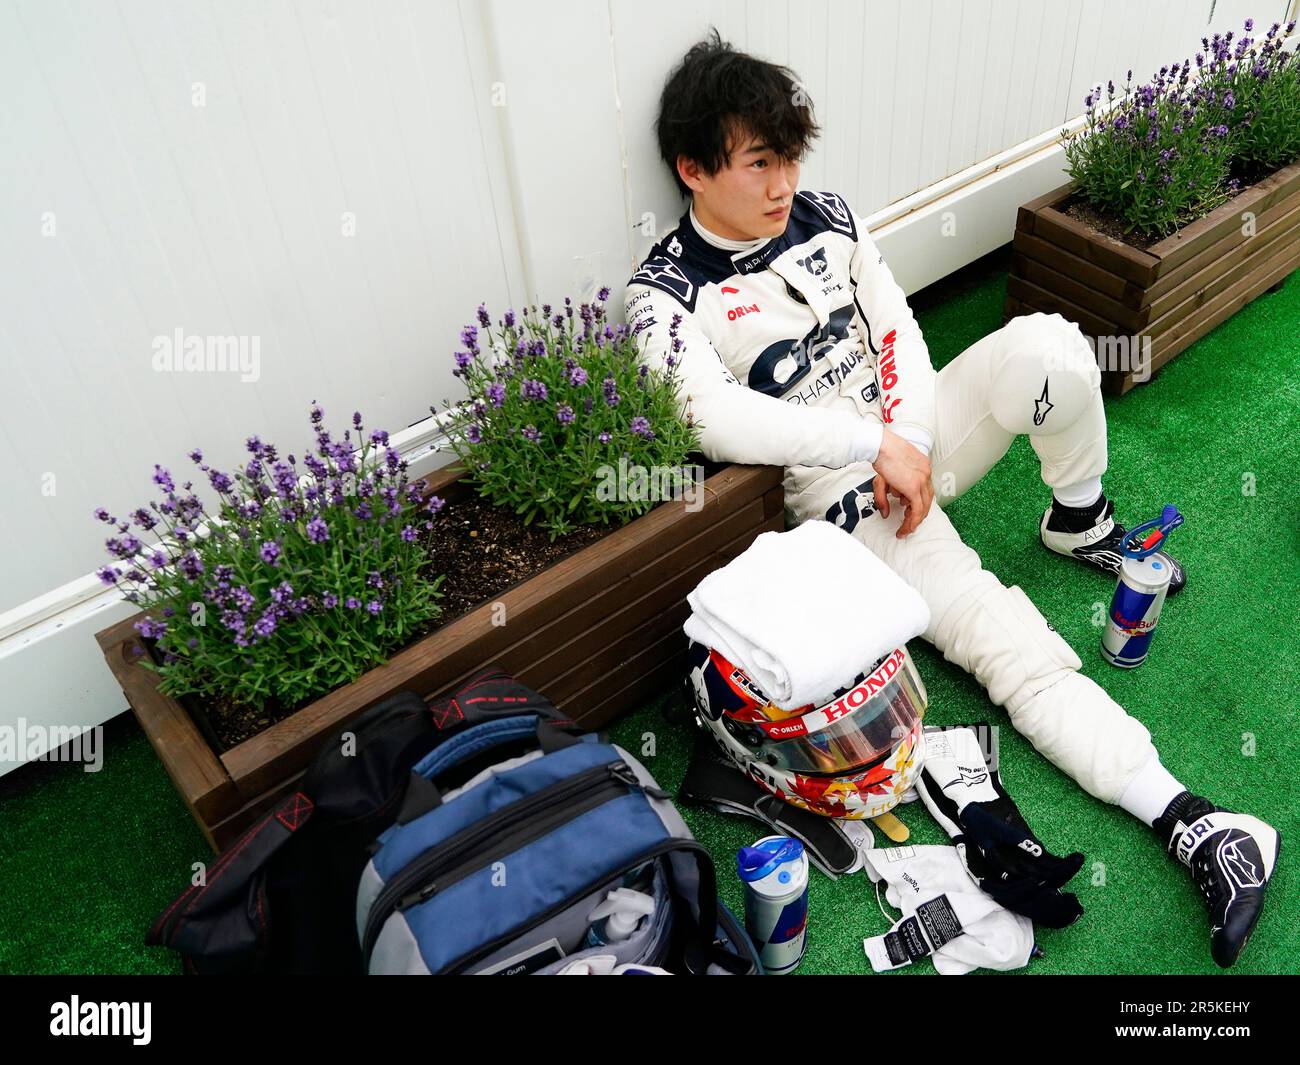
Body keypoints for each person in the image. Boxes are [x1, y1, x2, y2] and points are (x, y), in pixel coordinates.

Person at [623, 30, 1279, 968]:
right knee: (1009, 642)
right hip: (853, 506)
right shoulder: (660, 296)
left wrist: (914, 442)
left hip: (911, 444)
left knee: (1051, 349)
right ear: (693, 169)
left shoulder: (827, 216)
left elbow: (898, 331)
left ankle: (1077, 516)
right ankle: (1196, 820)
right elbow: (718, 420)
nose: (784, 183)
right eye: (759, 162)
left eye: (792, 157)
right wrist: (875, 449)